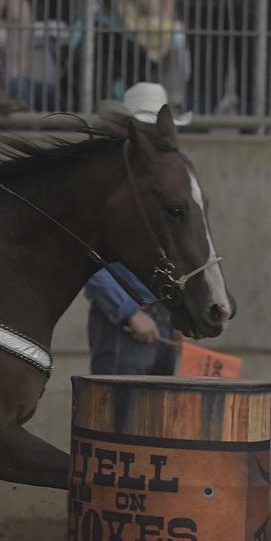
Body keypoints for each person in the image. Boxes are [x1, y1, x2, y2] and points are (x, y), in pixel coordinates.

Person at [84, 82, 187, 375]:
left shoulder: (158, 187)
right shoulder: (109, 182)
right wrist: (128, 312)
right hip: (128, 320)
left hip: (160, 316)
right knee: (120, 414)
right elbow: (89, 255)